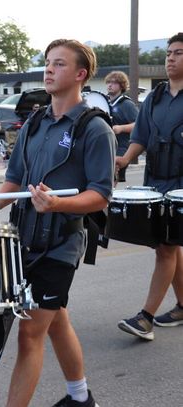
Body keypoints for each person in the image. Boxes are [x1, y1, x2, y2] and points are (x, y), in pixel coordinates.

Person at [0, 39, 115, 406]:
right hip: (23, 238)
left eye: (59, 64)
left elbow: (101, 194)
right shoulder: (34, 123)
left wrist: (57, 204)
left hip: (62, 244)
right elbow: (16, 177)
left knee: (30, 333)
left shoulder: (94, 128)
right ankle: (80, 396)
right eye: (47, 64)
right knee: (57, 319)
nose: (48, 70)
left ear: (81, 75)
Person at [116, 33, 183, 340]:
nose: (170, 58)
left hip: (182, 186)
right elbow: (140, 137)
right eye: (169, 53)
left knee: (166, 248)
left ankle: (145, 317)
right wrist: (124, 160)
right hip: (156, 182)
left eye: (178, 53)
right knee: (170, 245)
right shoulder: (154, 98)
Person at [105, 70, 139, 182]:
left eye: (114, 82)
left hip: (121, 148)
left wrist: (121, 128)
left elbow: (138, 125)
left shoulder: (127, 104)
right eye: (108, 82)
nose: (110, 85)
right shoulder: (104, 102)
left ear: (121, 86)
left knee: (113, 179)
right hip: (107, 146)